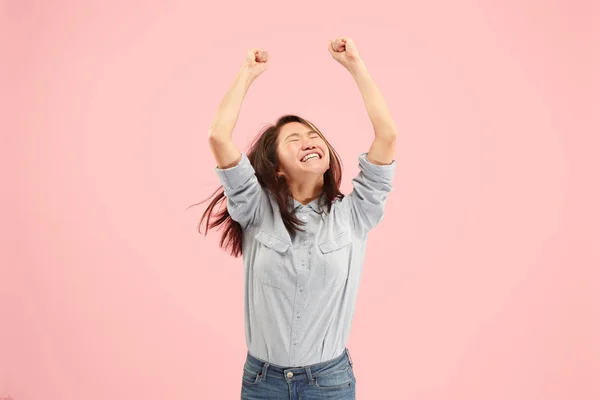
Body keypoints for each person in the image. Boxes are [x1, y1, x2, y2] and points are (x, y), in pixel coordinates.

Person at [198, 37, 398, 399]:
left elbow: (387, 134)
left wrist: (355, 66)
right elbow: (218, 136)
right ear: (276, 169)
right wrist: (247, 74)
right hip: (263, 382)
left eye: (312, 135)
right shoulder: (255, 210)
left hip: (330, 382)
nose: (308, 141)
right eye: (293, 139)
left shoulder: (355, 214)